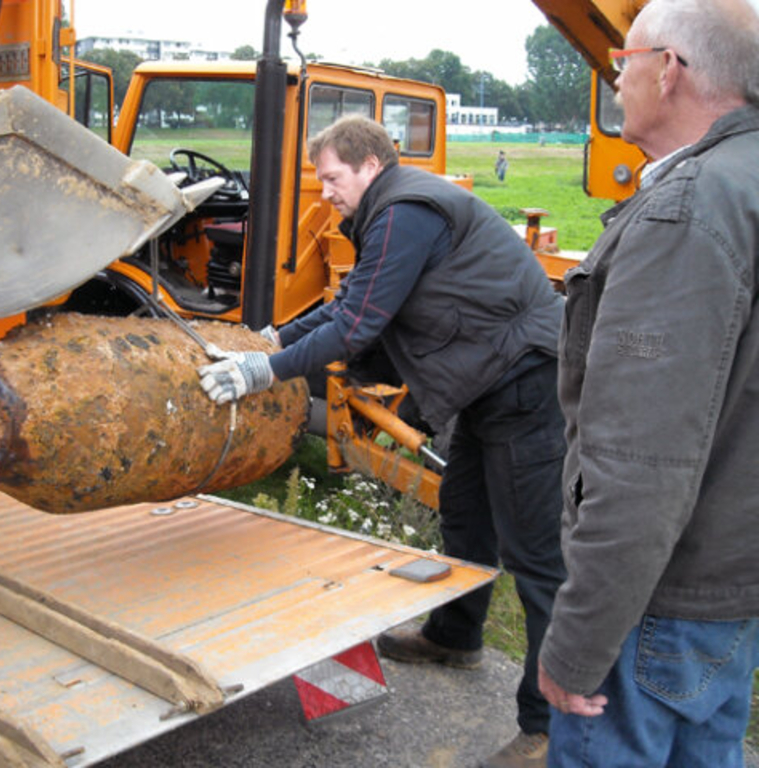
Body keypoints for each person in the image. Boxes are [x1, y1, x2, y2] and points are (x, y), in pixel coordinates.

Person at [198, 113, 567, 768]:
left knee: (537, 559)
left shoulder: (405, 211)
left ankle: (550, 729)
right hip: (489, 384)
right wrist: (272, 339)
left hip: (524, 382)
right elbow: (349, 303)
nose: (324, 192)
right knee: (465, 515)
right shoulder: (393, 211)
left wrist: (262, 371)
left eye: (332, 177)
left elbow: (357, 326)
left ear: (370, 166)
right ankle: (456, 636)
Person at [537, 0, 759, 765]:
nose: (615, 79)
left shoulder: (688, 212)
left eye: (622, 61)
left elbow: (641, 463)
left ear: (668, 71)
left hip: (658, 602)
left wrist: (578, 644)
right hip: (729, 587)